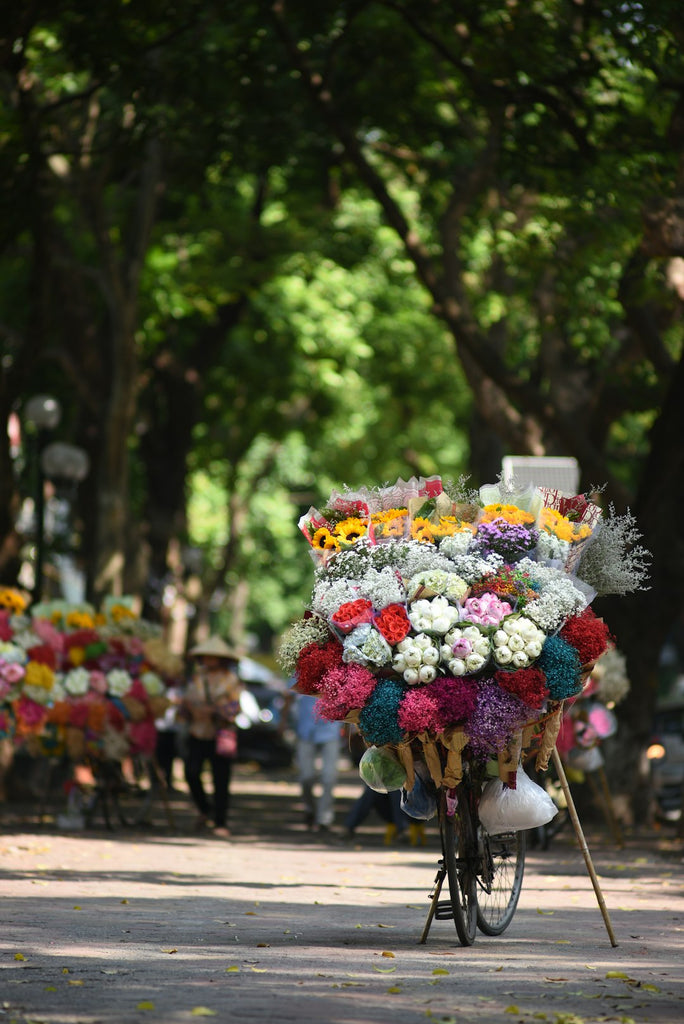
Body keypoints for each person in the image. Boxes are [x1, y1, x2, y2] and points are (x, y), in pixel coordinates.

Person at [180, 635, 243, 838]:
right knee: (191, 772)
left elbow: (235, 708)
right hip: (198, 732)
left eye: (212, 657)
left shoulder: (231, 680)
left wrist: (214, 711)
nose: (208, 660)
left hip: (221, 733)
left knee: (221, 779)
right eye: (205, 656)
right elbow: (186, 701)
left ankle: (220, 821)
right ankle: (205, 809)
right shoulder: (197, 678)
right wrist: (191, 710)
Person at [294, 694, 341, 833]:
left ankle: (324, 819)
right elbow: (288, 697)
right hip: (305, 731)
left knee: (329, 777)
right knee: (306, 777)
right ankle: (310, 809)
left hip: (330, 731)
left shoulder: (339, 674)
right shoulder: (299, 673)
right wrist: (283, 722)